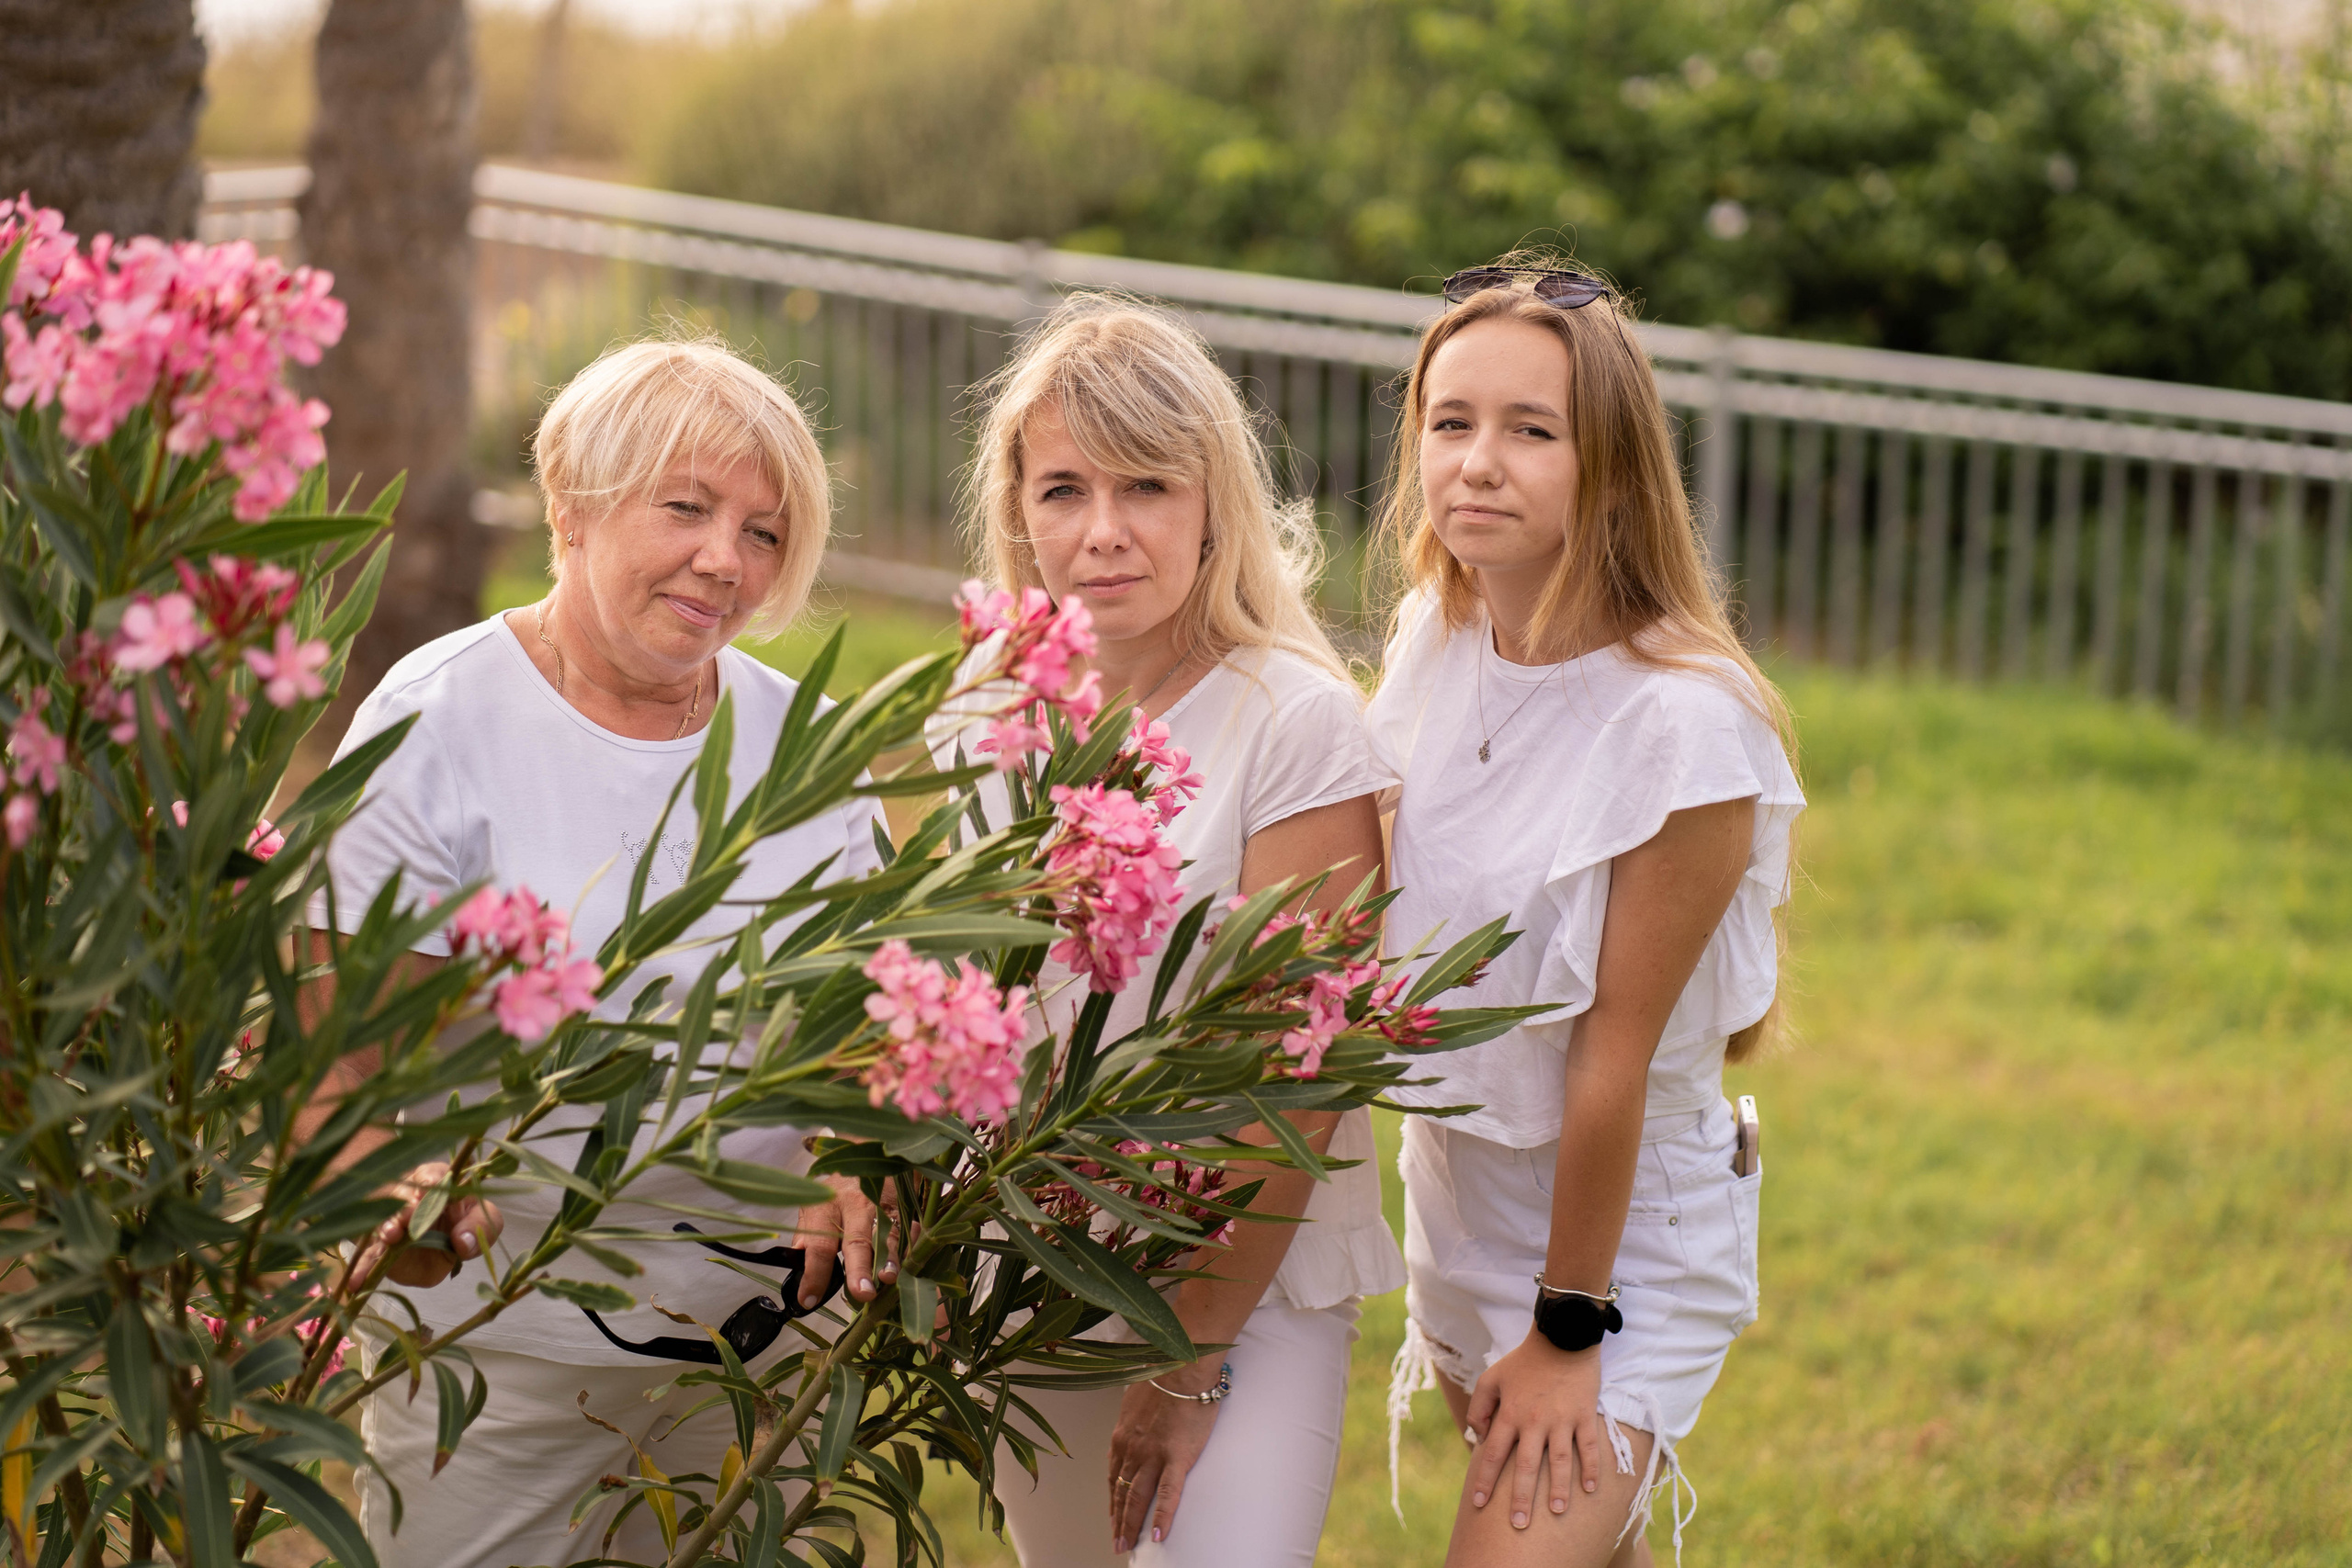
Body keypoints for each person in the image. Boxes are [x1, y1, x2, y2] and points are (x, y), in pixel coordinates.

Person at [299, 337, 893, 1567]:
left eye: (765, 533)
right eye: (686, 507)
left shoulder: (812, 744)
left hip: (754, 1358)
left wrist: (856, 1158)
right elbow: (332, 1053)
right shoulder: (438, 717)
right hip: (501, 1353)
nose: (725, 559)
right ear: (572, 502)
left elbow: (878, 1028)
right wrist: (390, 1191)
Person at [933, 295, 1398, 1567]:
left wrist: (1191, 1359)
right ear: (1019, 511)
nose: (1102, 533)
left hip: (1236, 1290)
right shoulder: (986, 711)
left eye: (1146, 485)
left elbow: (1298, 1073)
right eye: (1063, 489)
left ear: (1213, 505)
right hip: (1029, 1276)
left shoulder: (1292, 721)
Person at [1367, 260, 1804, 1568]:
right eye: (1452, 423)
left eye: (1530, 429)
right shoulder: (1434, 643)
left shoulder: (1685, 725)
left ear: (1609, 464)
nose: (1478, 464)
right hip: (1459, 1194)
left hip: (1615, 1247)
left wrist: (1570, 1329)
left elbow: (1609, 1062)